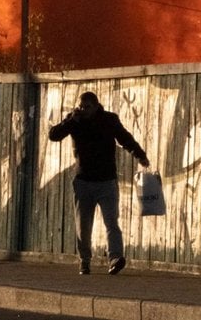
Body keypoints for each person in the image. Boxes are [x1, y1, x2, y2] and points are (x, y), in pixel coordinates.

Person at [48, 91, 150, 275]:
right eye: (80, 107)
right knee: (84, 225)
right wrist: (70, 120)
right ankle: (84, 261)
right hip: (83, 181)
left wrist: (140, 155)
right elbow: (54, 135)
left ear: (96, 106)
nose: (83, 110)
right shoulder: (74, 121)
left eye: (87, 107)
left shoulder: (109, 120)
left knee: (112, 221)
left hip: (106, 181)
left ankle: (115, 258)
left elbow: (124, 138)